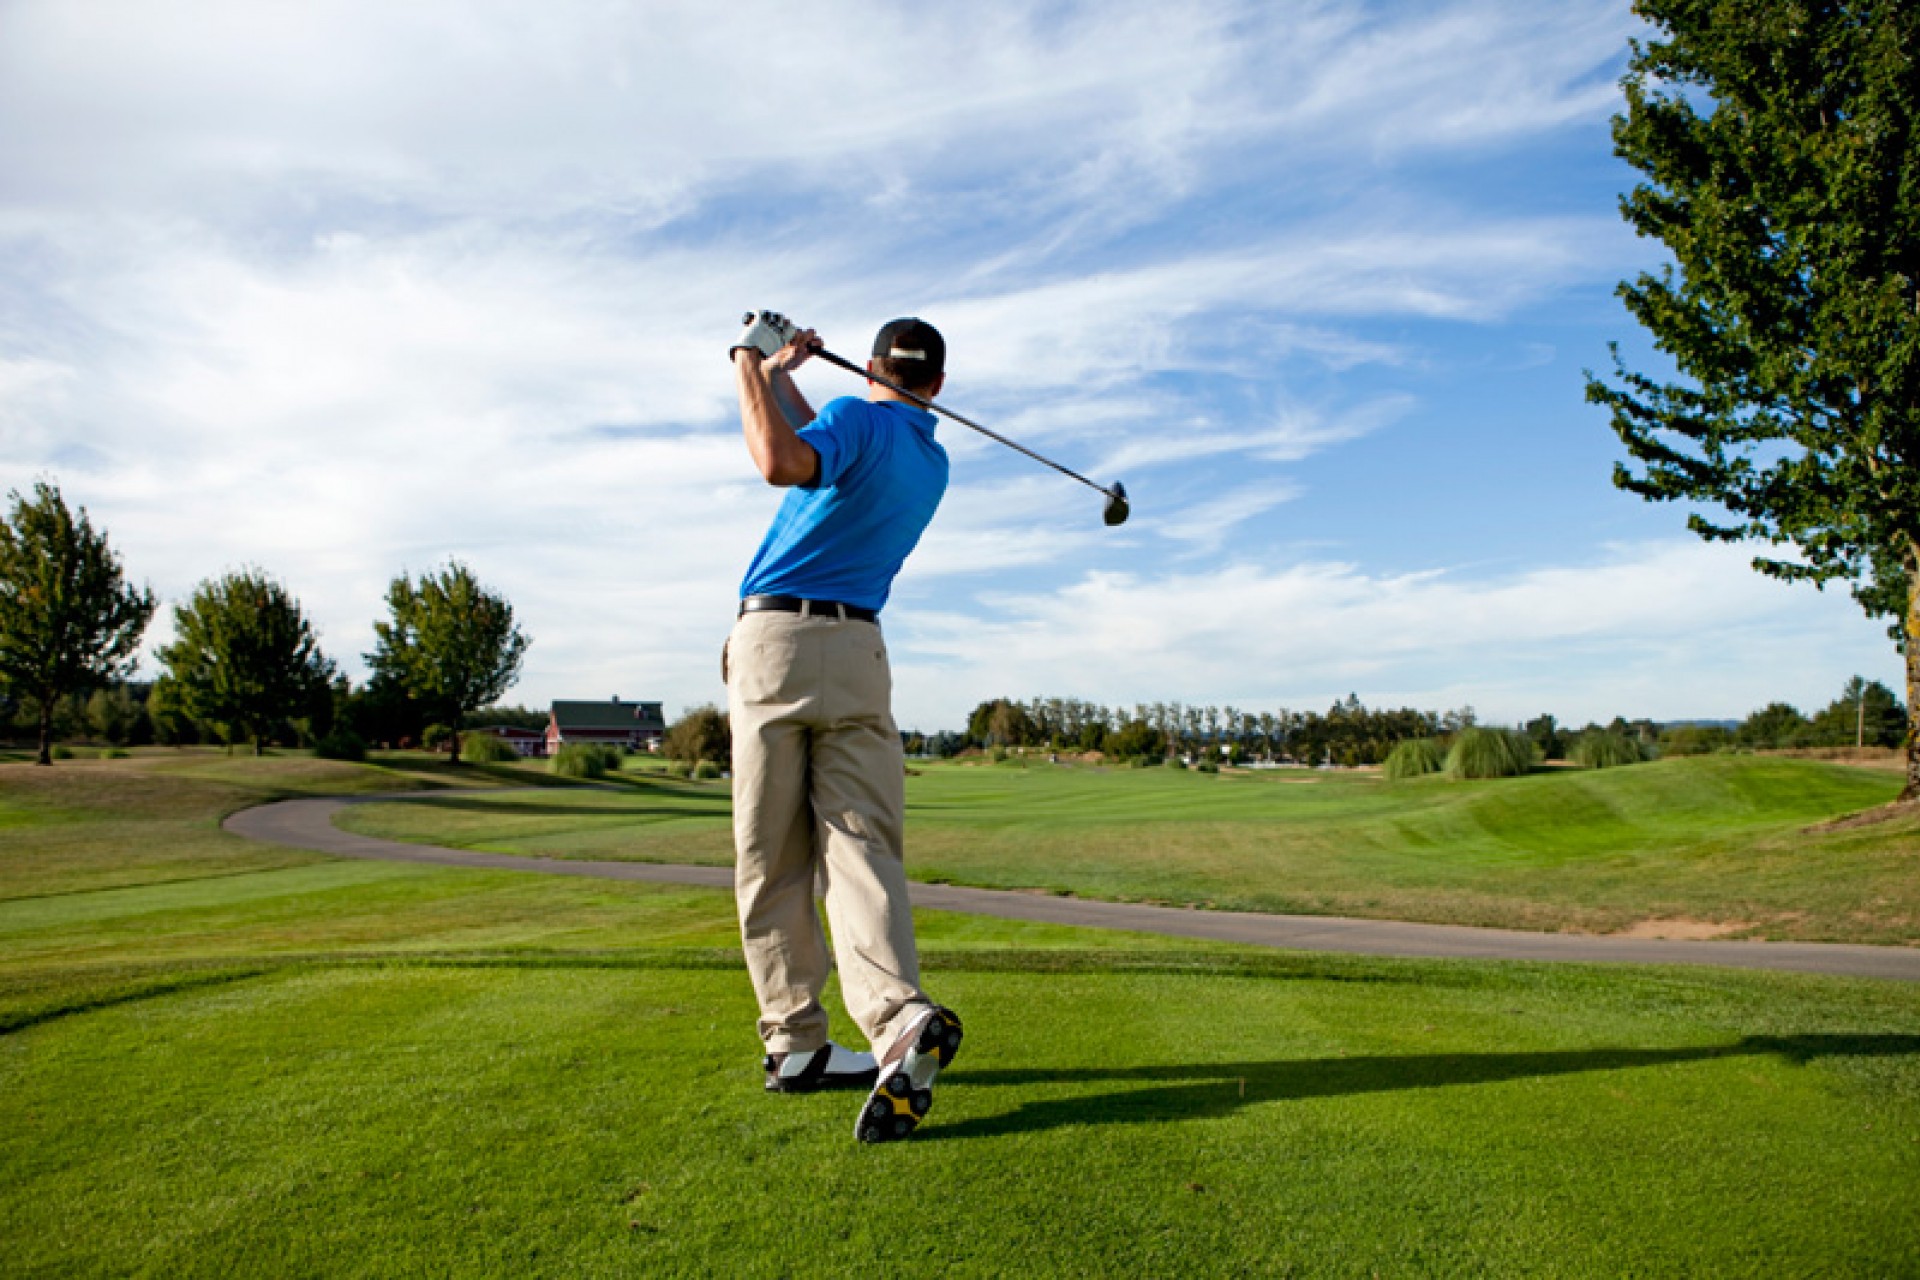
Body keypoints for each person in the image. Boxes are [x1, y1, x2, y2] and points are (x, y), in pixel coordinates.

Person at [724, 311, 964, 1144]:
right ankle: (898, 1020)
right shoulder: (929, 458)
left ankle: (793, 1039)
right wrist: (789, 375)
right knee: (859, 848)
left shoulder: (854, 418)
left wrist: (747, 362)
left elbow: (783, 461)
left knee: (772, 857)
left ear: (869, 367)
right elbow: (832, 440)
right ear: (935, 385)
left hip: (777, 645)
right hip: (859, 649)